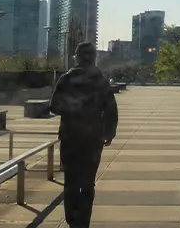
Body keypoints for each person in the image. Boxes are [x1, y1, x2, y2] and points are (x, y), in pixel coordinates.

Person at [50, 42, 119, 228]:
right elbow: (111, 110)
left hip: (70, 136)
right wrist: (109, 132)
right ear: (94, 58)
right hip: (93, 138)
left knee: (70, 180)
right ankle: (83, 222)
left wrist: (72, 108)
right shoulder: (100, 81)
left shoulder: (66, 79)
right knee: (88, 183)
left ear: (77, 57)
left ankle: (72, 220)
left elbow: (54, 107)